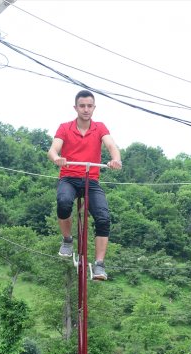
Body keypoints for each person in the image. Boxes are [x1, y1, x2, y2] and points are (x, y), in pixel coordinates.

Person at [47, 90, 122, 281]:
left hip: (91, 179)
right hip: (69, 177)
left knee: (103, 218)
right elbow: (53, 149)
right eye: (82, 106)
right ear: (76, 107)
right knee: (63, 202)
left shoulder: (99, 128)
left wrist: (115, 159)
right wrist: (57, 158)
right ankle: (67, 240)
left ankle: (99, 265)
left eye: (89, 106)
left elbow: (111, 145)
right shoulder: (65, 127)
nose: (86, 109)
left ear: (94, 108)